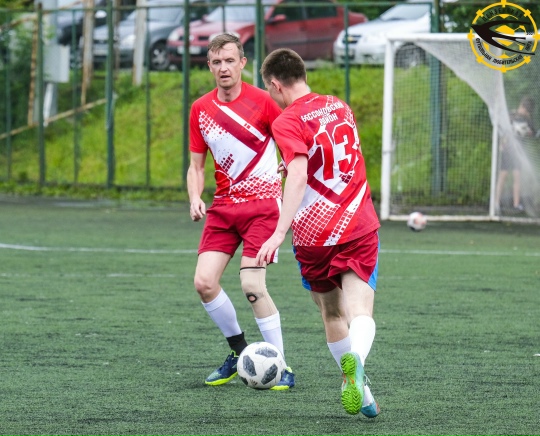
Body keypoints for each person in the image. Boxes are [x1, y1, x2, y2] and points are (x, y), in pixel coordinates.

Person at [256, 48, 381, 417]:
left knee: (331, 314)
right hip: (356, 224)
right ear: (303, 74)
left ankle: (363, 393)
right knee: (360, 310)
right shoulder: (338, 106)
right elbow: (332, 155)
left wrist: (278, 232)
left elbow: (299, 172)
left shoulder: (286, 120)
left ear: (275, 85)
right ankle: (358, 364)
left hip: (314, 236)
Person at [187, 34, 294, 390]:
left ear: (242, 63)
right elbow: (196, 166)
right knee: (204, 283)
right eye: (217, 62)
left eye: (230, 60)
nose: (224, 68)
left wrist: (288, 162)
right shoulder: (201, 109)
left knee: (251, 286)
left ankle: (281, 365)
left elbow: (292, 143)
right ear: (209, 66)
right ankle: (239, 352)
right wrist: (195, 196)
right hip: (223, 208)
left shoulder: (264, 102)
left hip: (263, 206)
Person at [495, 95, 536, 212]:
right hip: (507, 149)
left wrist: (531, 133)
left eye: (527, 112)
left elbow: (533, 133)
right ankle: (496, 203)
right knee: (503, 175)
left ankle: (516, 204)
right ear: (521, 106)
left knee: (517, 176)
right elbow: (502, 128)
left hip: (518, 152)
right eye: (524, 109)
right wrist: (503, 140)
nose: (524, 112)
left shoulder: (527, 120)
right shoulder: (511, 115)